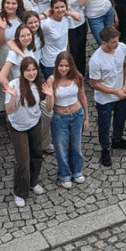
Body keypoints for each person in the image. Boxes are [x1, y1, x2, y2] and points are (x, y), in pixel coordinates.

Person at [87, 27, 126, 168]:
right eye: (113, 42)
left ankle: (117, 140)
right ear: (105, 42)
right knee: (104, 124)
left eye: (117, 40)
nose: (117, 43)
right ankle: (105, 149)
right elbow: (94, 83)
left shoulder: (122, 48)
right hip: (105, 99)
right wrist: (115, 92)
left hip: (121, 94)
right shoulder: (96, 60)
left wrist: (125, 85)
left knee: (121, 118)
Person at [43, 50, 89, 188]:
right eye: (61, 66)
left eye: (66, 66)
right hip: (60, 117)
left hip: (77, 115)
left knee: (76, 145)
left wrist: (87, 117)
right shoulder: (51, 81)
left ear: (71, 66)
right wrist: (50, 95)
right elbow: (49, 108)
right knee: (61, 148)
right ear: (57, 66)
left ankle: (77, 171)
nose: (63, 69)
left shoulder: (77, 77)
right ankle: (65, 174)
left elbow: (83, 97)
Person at [4, 57, 45, 206]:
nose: (31, 73)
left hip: (34, 122)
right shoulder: (14, 85)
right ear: (22, 71)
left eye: (34, 69)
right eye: (28, 70)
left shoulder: (39, 84)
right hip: (18, 127)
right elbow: (8, 111)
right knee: (22, 161)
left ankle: (33, 182)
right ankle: (20, 192)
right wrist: (14, 97)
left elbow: (46, 105)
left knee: (37, 154)